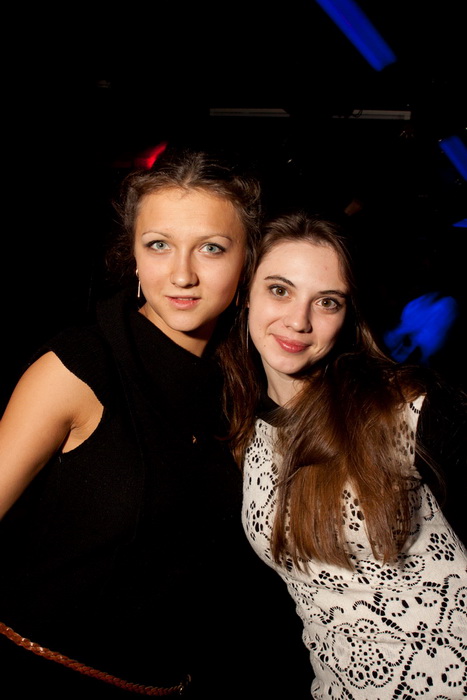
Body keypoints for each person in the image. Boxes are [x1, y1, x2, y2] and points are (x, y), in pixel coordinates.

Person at [0, 145, 311, 699]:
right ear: (135, 258)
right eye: (159, 245)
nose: (182, 274)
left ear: (247, 263)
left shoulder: (245, 386)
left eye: (211, 248)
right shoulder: (78, 367)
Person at [221, 211, 467, 699]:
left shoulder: (404, 408)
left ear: (347, 315)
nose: (299, 321)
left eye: (327, 302)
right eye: (279, 290)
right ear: (245, 293)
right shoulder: (243, 425)